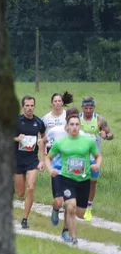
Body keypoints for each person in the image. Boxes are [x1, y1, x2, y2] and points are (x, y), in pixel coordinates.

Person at [45, 110, 102, 246]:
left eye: (77, 124)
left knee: (80, 213)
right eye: (72, 124)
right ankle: (73, 238)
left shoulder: (88, 142)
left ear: (80, 126)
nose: (74, 127)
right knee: (70, 206)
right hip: (67, 179)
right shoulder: (61, 143)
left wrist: (97, 165)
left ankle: (70, 227)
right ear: (68, 126)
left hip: (83, 180)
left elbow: (98, 156)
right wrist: (50, 169)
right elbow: (48, 158)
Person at [13, 95, 46, 229]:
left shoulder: (38, 122)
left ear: (34, 106)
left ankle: (25, 219)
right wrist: (16, 138)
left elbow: (43, 139)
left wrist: (42, 160)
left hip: (32, 159)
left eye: (32, 105)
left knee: (31, 187)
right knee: (20, 193)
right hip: (17, 159)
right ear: (23, 107)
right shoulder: (16, 121)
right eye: (27, 106)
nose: (29, 108)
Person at [79, 96, 114, 221]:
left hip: (94, 158)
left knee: (92, 183)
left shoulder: (99, 120)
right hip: (80, 157)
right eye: (86, 108)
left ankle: (88, 208)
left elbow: (111, 134)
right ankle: (78, 205)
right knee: (79, 182)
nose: (88, 110)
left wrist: (106, 135)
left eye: (91, 108)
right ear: (82, 108)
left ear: (94, 108)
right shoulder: (77, 119)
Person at [42, 92, 73, 225]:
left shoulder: (67, 115)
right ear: (51, 103)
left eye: (59, 101)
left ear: (62, 102)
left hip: (69, 152)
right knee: (57, 180)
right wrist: (43, 154)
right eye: (55, 101)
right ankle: (57, 205)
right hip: (53, 152)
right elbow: (43, 134)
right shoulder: (46, 118)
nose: (57, 103)